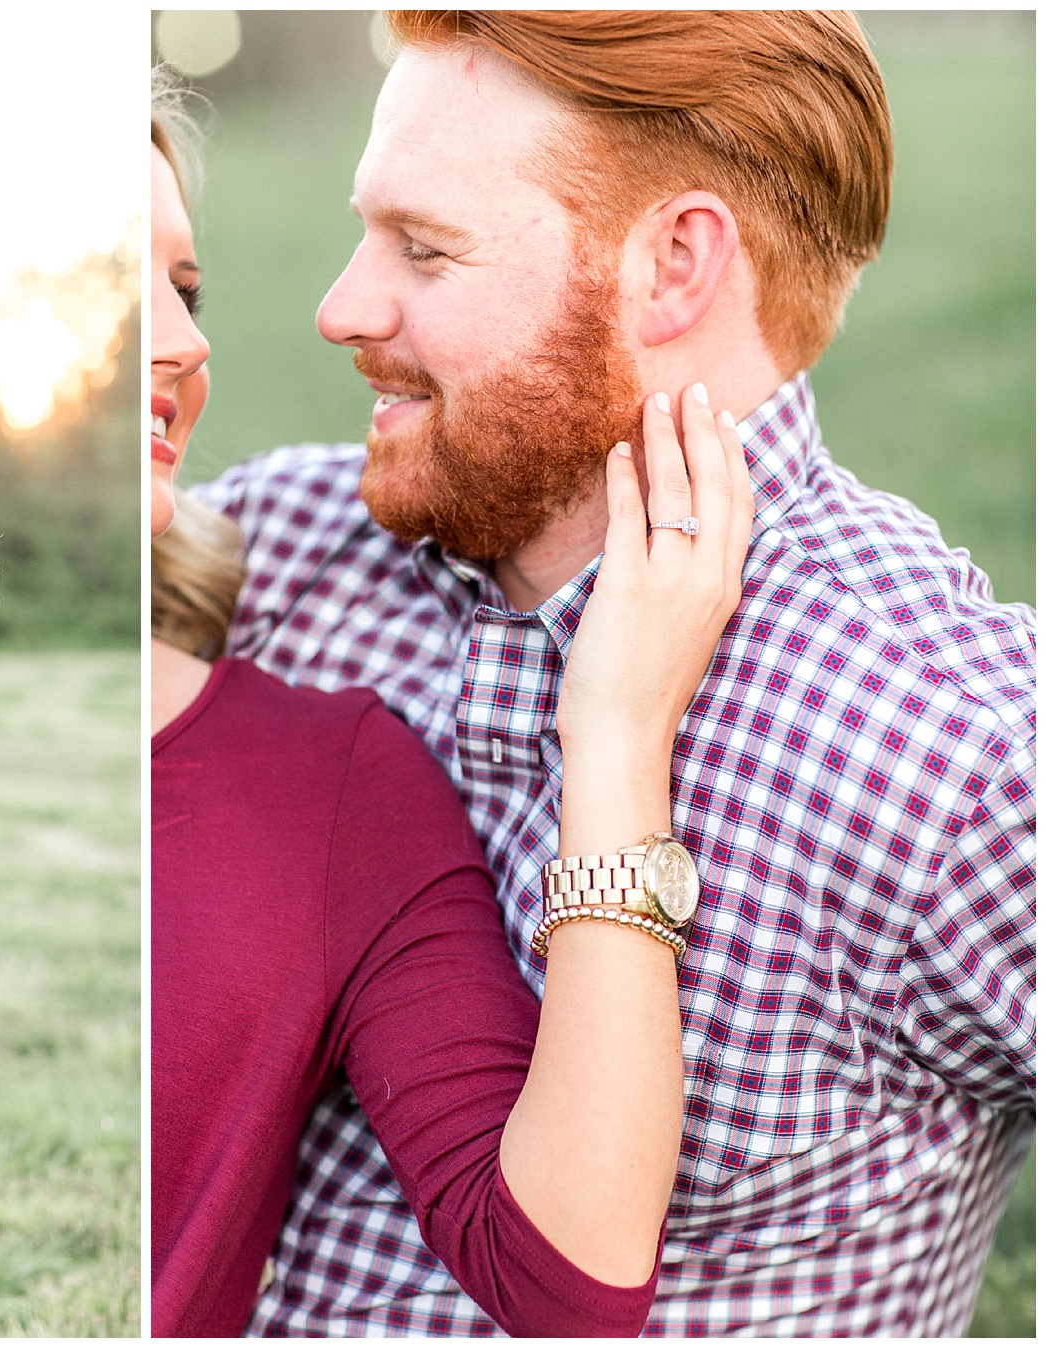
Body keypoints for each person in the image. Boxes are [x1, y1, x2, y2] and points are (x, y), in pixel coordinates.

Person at [185, 12, 1034, 1337]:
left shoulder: (937, 745)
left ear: (672, 266)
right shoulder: (274, 561)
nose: (342, 306)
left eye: (426, 246)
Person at [152, 87, 758, 1336]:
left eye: (187, 290)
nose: (182, 342)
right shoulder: (278, 540)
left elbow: (563, 1278)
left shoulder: (328, 782)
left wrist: (616, 738)